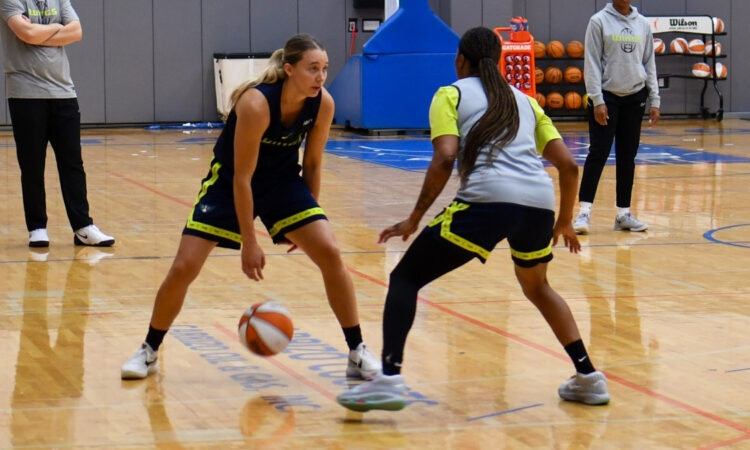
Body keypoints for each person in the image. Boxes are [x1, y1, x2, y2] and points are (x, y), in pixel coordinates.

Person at [337, 27, 610, 412]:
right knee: (539, 288)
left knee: (406, 277)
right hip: (538, 203)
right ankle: (589, 378)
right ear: (498, 61)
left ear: (460, 61)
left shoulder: (451, 94)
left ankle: (390, 379)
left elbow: (445, 157)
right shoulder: (526, 102)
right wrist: (563, 222)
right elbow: (567, 166)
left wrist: (415, 217)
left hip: (489, 201)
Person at [121, 34, 380, 380]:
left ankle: (357, 351)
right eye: (312, 69)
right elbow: (243, 178)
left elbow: (314, 164)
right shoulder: (257, 104)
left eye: (324, 69)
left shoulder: (323, 104)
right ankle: (149, 349)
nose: (320, 77)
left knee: (330, 251)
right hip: (230, 184)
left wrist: (307, 217)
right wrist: (250, 242)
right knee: (184, 267)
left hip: (283, 183)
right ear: (289, 70)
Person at [0, 0, 115, 247]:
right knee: (32, 165)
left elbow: (76, 31)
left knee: (72, 163)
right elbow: (26, 33)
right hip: (25, 93)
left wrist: (40, 34)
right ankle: (37, 227)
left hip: (64, 92)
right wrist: (57, 30)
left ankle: (83, 226)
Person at [573, 0, 660, 235]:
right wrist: (597, 99)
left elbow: (649, 62)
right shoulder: (598, 21)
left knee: (627, 156)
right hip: (607, 96)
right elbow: (591, 62)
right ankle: (583, 212)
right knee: (598, 152)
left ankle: (623, 214)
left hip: (635, 96)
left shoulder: (642, 24)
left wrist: (655, 99)